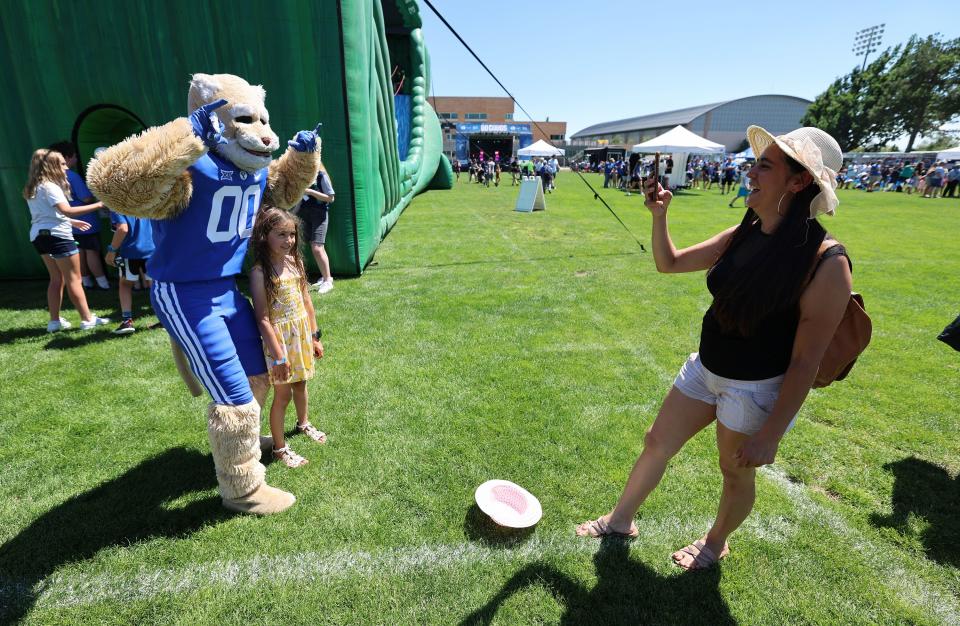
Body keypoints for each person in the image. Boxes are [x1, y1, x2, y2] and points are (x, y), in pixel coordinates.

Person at [576, 126, 853, 571]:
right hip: (705, 369)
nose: (751, 172)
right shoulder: (746, 229)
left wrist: (772, 434)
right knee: (656, 443)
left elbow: (805, 361)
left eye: (765, 165)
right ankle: (620, 519)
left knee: (734, 472)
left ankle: (715, 541)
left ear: (799, 182)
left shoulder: (827, 261)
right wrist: (659, 216)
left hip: (755, 390)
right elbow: (670, 263)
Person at [249, 208, 326, 468]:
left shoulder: (297, 263)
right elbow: (262, 319)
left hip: (301, 335)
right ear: (264, 235)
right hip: (279, 343)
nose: (288, 240)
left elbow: (307, 302)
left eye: (292, 234)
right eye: (281, 234)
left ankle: (303, 423)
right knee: (283, 396)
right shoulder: (260, 273)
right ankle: (280, 448)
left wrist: (315, 336)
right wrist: (279, 356)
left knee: (301, 384)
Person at [24, 148, 110, 332]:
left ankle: (54, 322)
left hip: (39, 237)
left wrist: (72, 222)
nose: (65, 168)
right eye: (62, 164)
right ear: (52, 166)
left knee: (56, 279)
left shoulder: (33, 187)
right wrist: (100, 204)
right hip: (57, 237)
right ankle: (87, 320)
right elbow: (66, 210)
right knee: (74, 279)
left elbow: (47, 215)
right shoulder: (50, 187)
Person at [48, 141, 110, 290]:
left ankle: (86, 282)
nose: (76, 159)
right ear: (67, 158)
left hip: (68, 222)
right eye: (75, 156)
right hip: (85, 220)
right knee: (91, 252)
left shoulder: (51, 178)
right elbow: (86, 198)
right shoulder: (73, 176)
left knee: (80, 252)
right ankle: (104, 284)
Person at [105, 193, 155, 335]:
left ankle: (127, 321)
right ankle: (164, 319)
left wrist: (111, 251)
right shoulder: (148, 198)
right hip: (153, 249)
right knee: (155, 285)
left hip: (131, 251)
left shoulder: (117, 203)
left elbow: (122, 228)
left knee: (125, 284)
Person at [300, 161, 336, 294]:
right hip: (303, 213)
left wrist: (310, 191)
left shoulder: (321, 175)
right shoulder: (300, 175)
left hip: (319, 214)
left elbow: (330, 197)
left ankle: (328, 280)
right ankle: (323, 277)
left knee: (317, 247)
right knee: (305, 246)